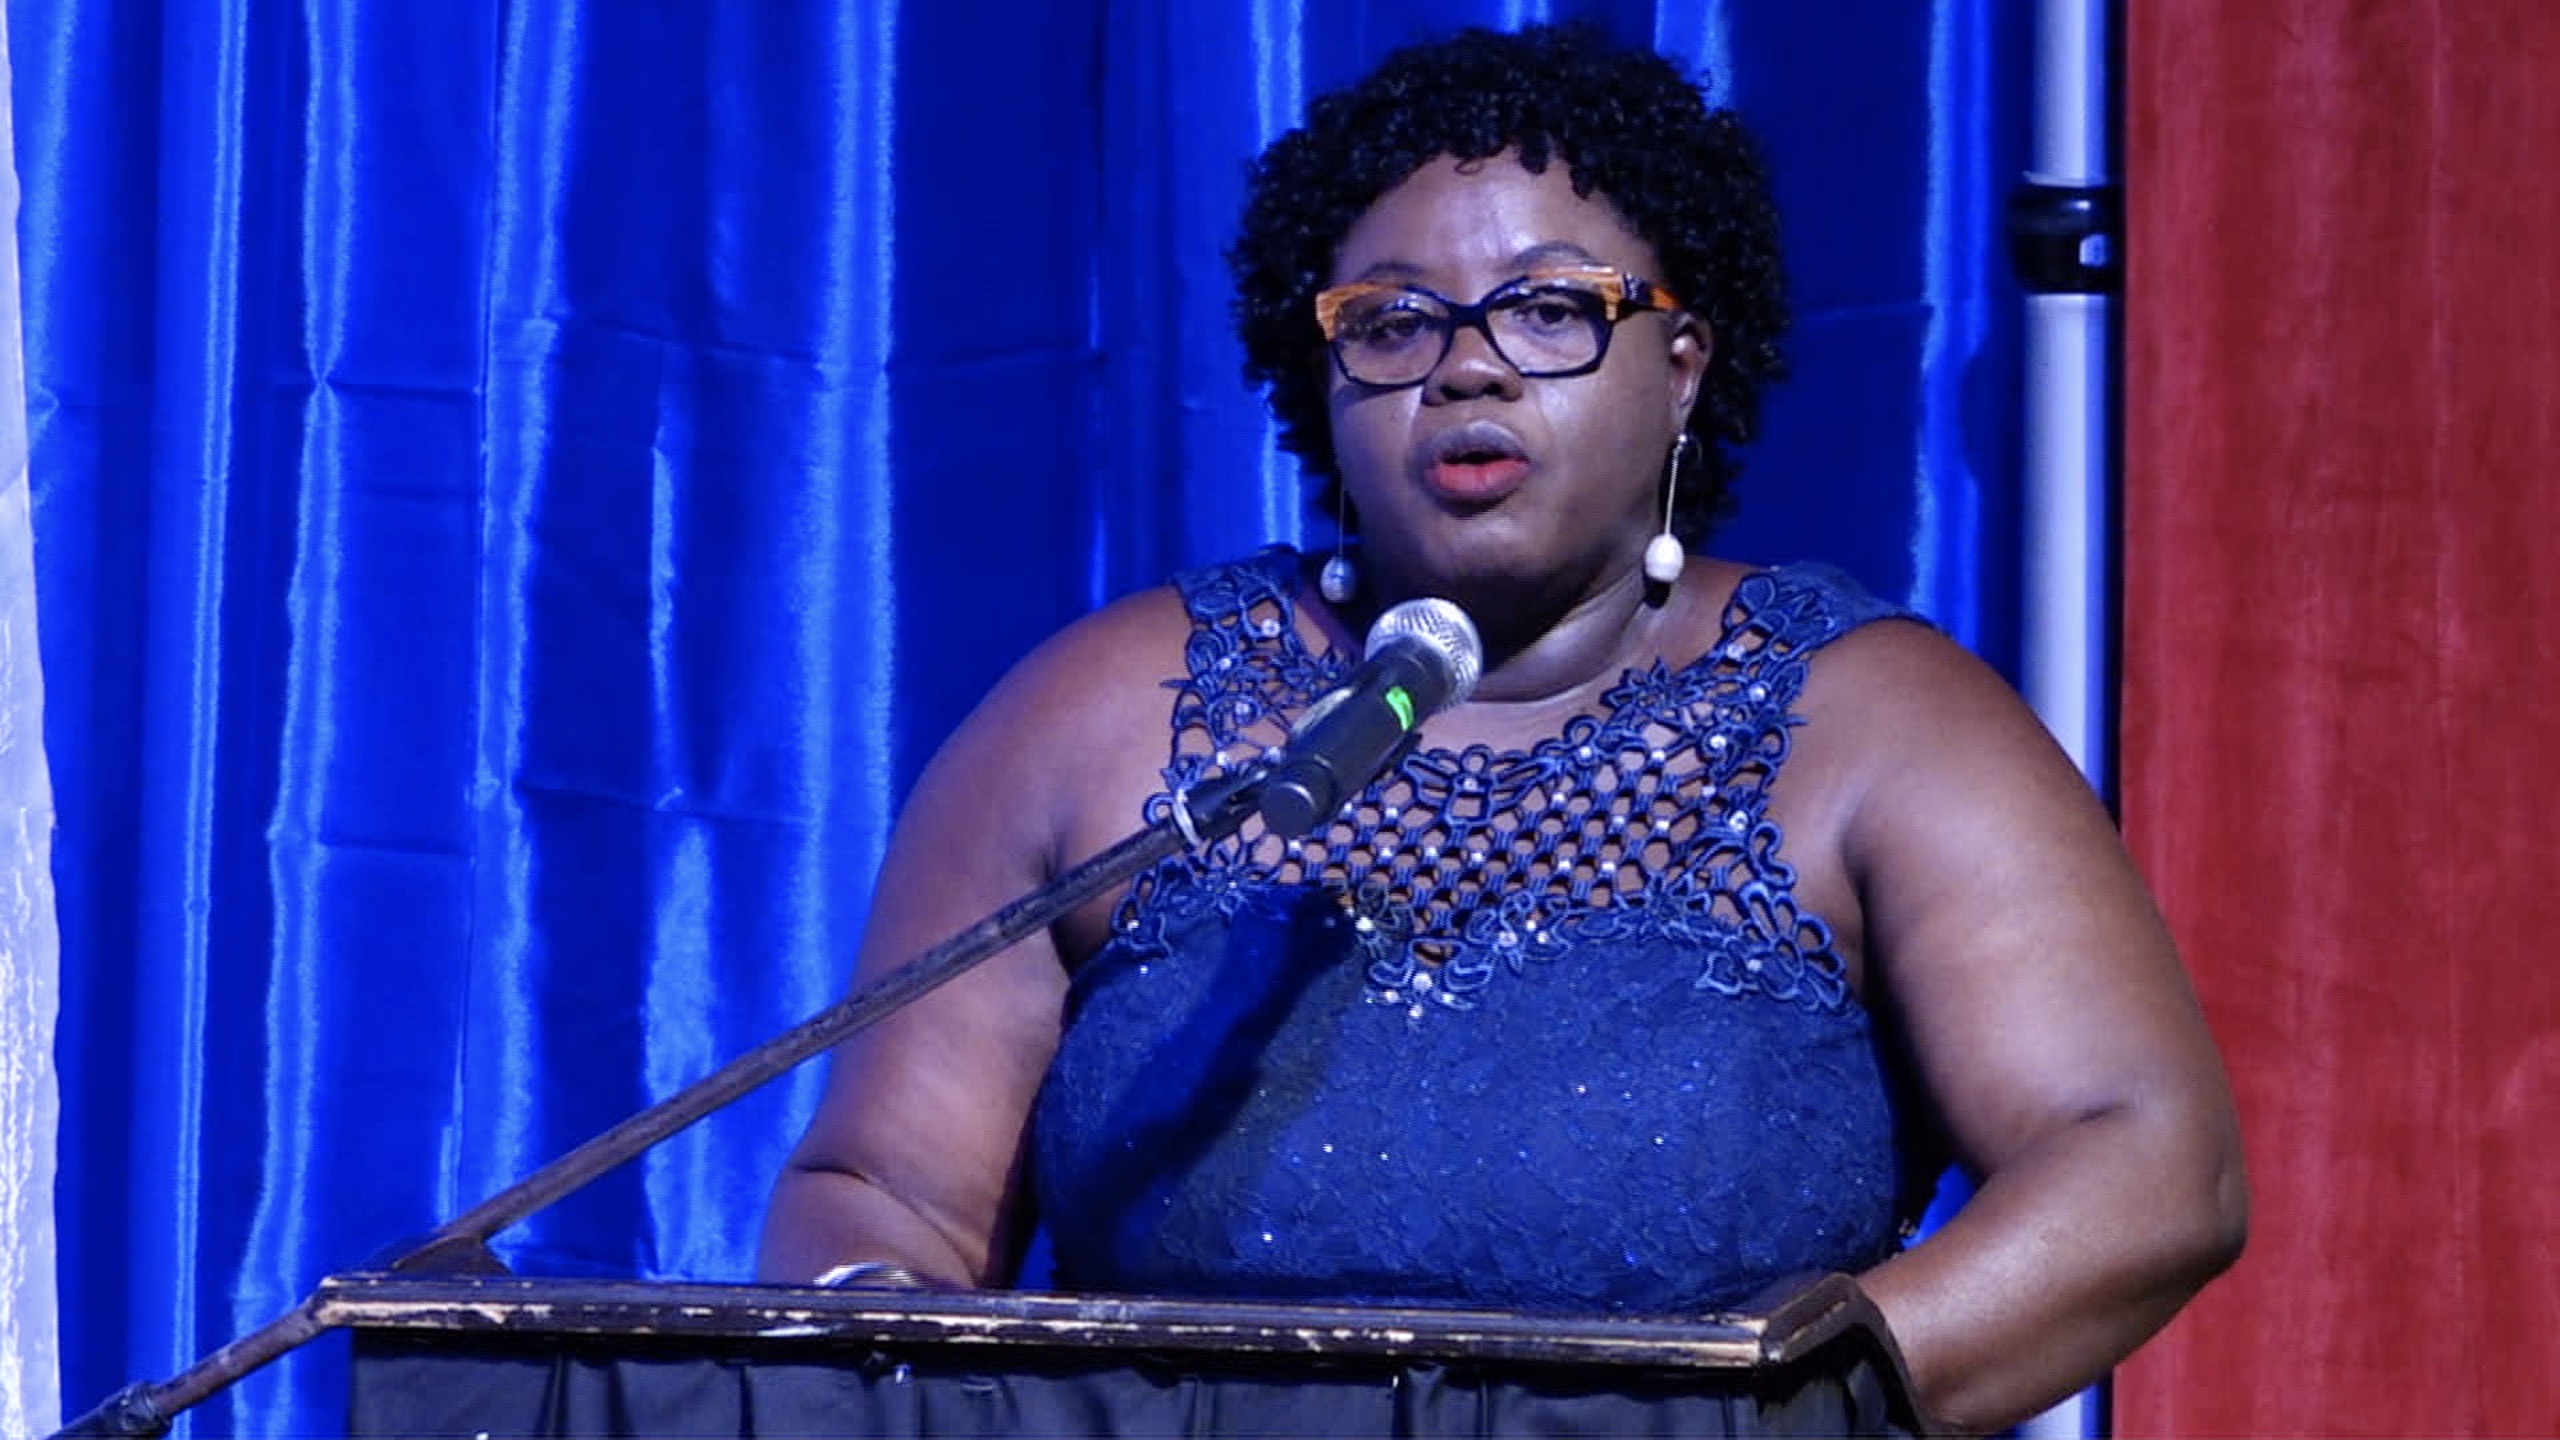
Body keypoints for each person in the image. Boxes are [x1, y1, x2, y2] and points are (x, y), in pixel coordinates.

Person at [760, 24, 2246, 1434]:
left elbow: (2143, 1164)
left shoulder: (1872, 722)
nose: (1466, 367)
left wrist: (1753, 1412)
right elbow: (881, 1190)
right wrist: (890, 1353)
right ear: (1323, 379)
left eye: (1549, 310)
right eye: (1394, 321)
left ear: (1681, 367)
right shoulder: (1102, 716)